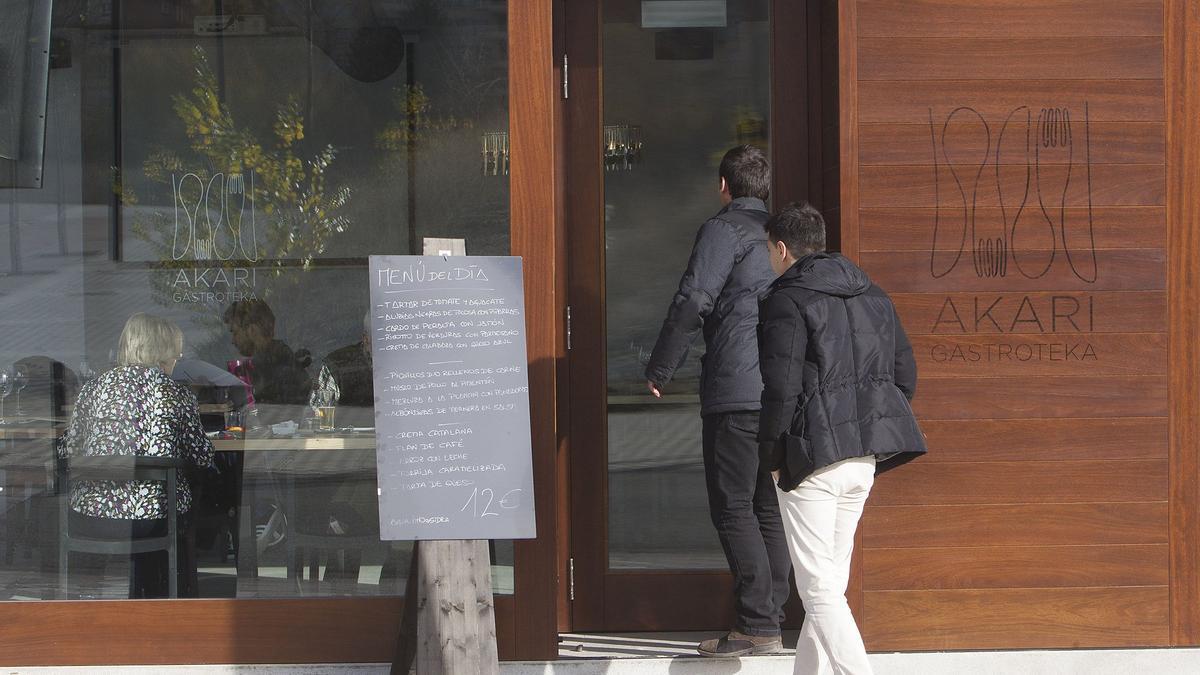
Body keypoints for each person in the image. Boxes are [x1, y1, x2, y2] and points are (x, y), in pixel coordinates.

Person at [757, 203, 927, 675]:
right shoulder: (873, 294)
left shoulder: (786, 300)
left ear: (783, 249)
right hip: (861, 458)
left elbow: (780, 388)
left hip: (812, 459)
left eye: (769, 249)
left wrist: (771, 456)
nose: (770, 258)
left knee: (819, 591)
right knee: (828, 585)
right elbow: (904, 376)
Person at [643, 145, 790, 657]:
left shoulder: (723, 231)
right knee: (765, 506)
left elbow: (694, 299)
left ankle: (757, 625)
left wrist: (662, 365)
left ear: (723, 186)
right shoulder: (781, 238)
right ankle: (769, 619)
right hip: (778, 391)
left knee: (734, 507)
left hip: (735, 390)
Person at [57, 313, 215, 598]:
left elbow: (66, 451)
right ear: (163, 352)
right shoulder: (176, 392)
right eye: (175, 353)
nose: (177, 359)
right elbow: (202, 456)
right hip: (154, 519)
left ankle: (89, 605)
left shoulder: (93, 388)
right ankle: (163, 598)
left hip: (92, 516)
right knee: (190, 496)